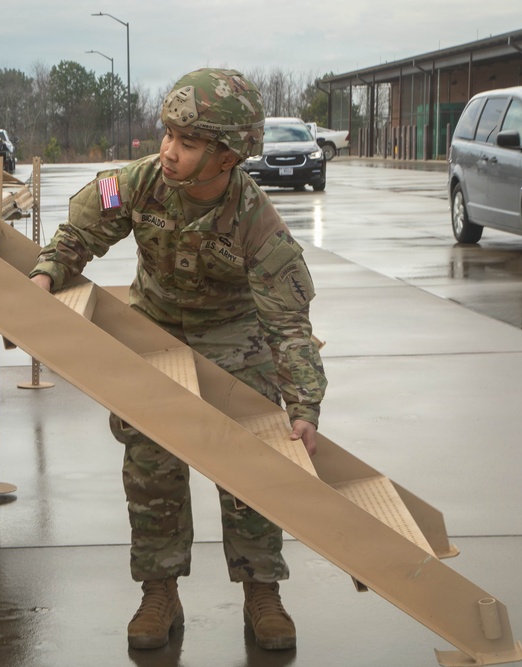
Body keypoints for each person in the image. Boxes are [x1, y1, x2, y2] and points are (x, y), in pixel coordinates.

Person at [28, 68, 327, 651]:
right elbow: (83, 230)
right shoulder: (140, 182)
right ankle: (158, 590)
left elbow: (288, 325)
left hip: (233, 337)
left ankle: (261, 588)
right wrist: (47, 272)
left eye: (187, 143)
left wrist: (304, 404)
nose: (168, 151)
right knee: (150, 459)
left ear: (226, 157)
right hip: (156, 328)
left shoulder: (257, 223)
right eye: (167, 135)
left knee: (254, 462)